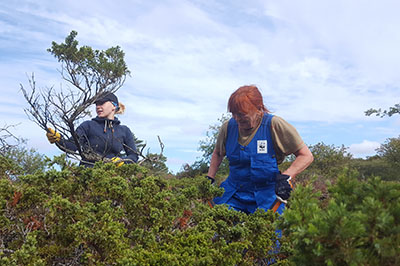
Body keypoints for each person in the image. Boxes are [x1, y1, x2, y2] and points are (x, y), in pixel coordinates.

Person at [206, 85, 313, 214]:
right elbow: (218, 153)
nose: (237, 118)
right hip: (233, 192)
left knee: (269, 231)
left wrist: (286, 177)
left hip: (267, 195)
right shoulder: (228, 127)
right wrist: (209, 178)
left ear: (258, 108)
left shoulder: (275, 125)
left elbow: (306, 156)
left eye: (241, 114)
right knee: (218, 225)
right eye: (233, 114)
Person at [46, 92, 138, 167]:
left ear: (114, 106)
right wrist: (59, 140)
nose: (98, 106)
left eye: (102, 103)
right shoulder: (87, 126)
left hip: (113, 178)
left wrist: (122, 162)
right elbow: (71, 146)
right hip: (87, 177)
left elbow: (134, 156)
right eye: (97, 104)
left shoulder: (124, 130)